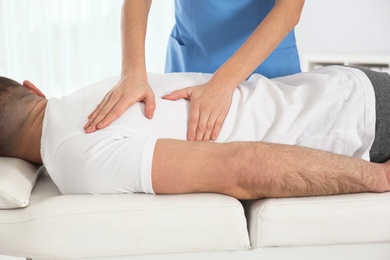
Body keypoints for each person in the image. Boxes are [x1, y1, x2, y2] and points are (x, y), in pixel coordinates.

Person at [1, 66, 390, 199]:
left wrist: (378, 178)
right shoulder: (92, 92)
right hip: (343, 89)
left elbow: (241, 166)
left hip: (355, 127)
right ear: (33, 88)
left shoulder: (74, 158)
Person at [84, 0, 305, 142]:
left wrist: (222, 84)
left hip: (268, 61)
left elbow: (290, 8)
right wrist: (132, 73)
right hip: (193, 60)